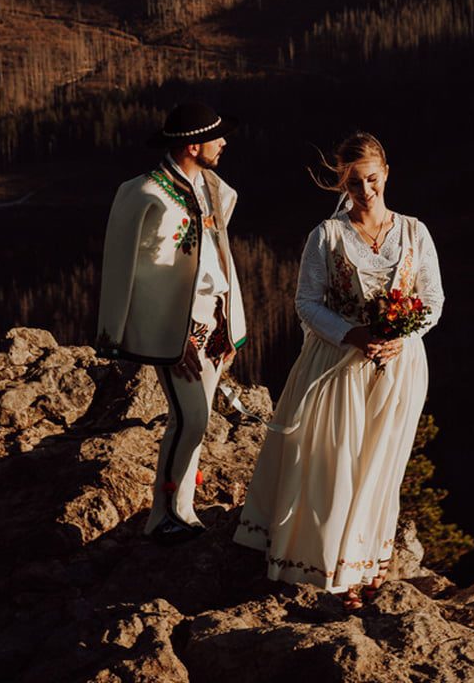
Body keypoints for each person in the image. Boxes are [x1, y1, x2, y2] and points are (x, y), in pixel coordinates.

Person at [234, 131, 445, 610]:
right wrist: (352, 334)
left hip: (399, 368)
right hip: (337, 365)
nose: (365, 191)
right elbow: (306, 303)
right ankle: (337, 569)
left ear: (386, 174)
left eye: (371, 179)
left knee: (381, 466)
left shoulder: (414, 232)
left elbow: (432, 301)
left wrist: (402, 336)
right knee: (336, 463)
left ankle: (369, 563)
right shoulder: (326, 236)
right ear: (341, 185)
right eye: (354, 183)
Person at [99, 101, 249, 543]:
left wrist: (225, 320)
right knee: (192, 419)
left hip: (212, 320)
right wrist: (171, 335)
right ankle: (161, 513)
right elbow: (138, 275)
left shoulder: (214, 188)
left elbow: (216, 258)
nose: (224, 143)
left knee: (192, 421)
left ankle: (182, 508)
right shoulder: (146, 194)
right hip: (178, 328)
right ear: (193, 145)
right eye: (216, 137)